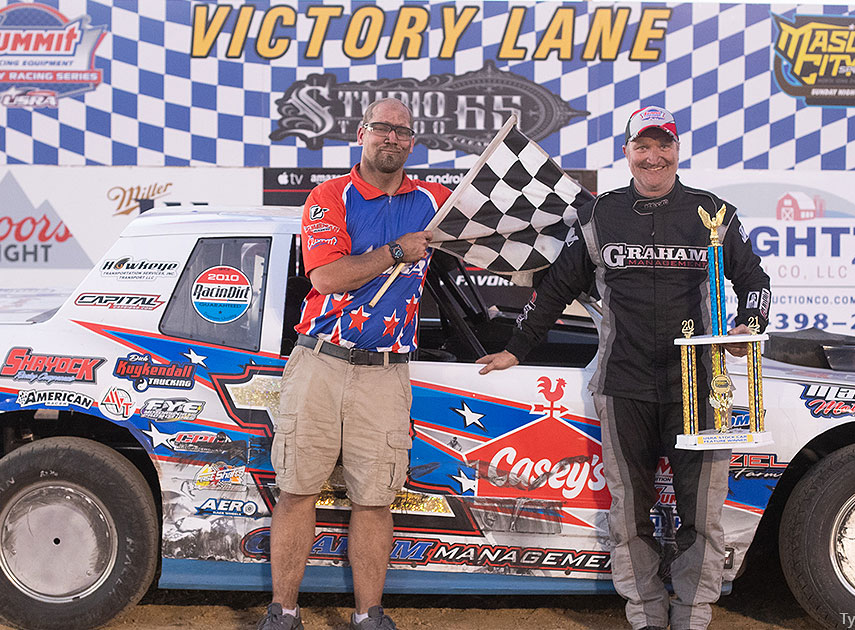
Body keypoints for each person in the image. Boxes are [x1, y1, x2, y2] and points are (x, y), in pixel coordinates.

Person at [476, 105, 771, 630]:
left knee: (701, 516)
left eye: (663, 146)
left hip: (701, 390)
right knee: (628, 515)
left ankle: (692, 615)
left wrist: (749, 324)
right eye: (643, 146)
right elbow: (556, 288)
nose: (653, 156)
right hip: (622, 384)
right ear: (627, 152)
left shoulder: (713, 213)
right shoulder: (600, 215)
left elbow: (756, 281)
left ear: (677, 150)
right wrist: (518, 348)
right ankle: (646, 615)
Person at [260, 98, 451, 630]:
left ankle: (369, 616)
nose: (392, 139)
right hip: (320, 360)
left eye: (403, 132)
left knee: (376, 498)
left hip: (387, 370)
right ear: (363, 133)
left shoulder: (433, 199)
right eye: (383, 129)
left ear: (412, 143)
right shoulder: (329, 196)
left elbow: (498, 225)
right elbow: (325, 278)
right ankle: (284, 611)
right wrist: (397, 251)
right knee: (297, 489)